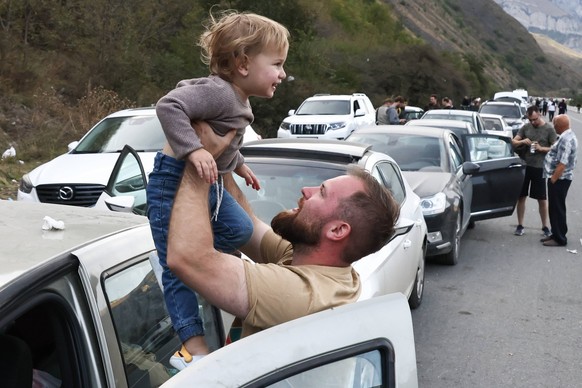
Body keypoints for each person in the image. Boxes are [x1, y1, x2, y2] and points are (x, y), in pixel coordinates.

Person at [146, 11, 289, 370]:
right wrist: (193, 150)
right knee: (177, 266)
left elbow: (222, 135)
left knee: (241, 230)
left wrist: (237, 163)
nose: (283, 74)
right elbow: (169, 106)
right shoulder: (220, 93)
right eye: (277, 64)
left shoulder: (235, 97)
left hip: (207, 185)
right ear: (243, 63)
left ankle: (203, 262)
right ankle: (192, 349)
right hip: (174, 182)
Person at [166, 135, 400, 339]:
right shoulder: (312, 261)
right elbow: (249, 223)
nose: (305, 190)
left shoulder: (304, 295)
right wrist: (222, 155)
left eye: (321, 192)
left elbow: (188, 258)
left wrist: (196, 163)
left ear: (337, 231)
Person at [511, 105, 557, 237]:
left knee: (542, 199)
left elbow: (555, 148)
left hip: (540, 168)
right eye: (530, 120)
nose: (532, 122)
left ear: (540, 115)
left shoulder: (549, 129)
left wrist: (542, 148)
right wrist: (521, 142)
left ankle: (545, 226)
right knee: (521, 197)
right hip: (525, 166)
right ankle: (520, 225)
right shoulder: (526, 127)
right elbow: (513, 142)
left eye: (535, 119)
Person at [541, 114, 578, 246]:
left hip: (560, 179)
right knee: (555, 207)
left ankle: (559, 238)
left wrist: (553, 179)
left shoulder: (566, 139)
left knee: (557, 208)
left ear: (559, 125)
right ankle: (556, 233)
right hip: (559, 178)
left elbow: (562, 163)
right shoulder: (565, 136)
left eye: (555, 124)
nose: (553, 126)